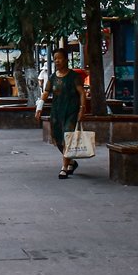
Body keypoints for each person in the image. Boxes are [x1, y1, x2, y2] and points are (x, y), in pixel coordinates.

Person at [36, 48, 90, 178]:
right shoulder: (52, 78)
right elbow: (46, 93)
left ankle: (64, 168)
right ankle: (71, 161)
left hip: (71, 111)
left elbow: (82, 93)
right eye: (55, 59)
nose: (57, 61)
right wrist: (39, 108)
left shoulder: (74, 77)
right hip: (57, 111)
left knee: (68, 137)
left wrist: (82, 109)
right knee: (58, 140)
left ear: (66, 59)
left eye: (60, 58)